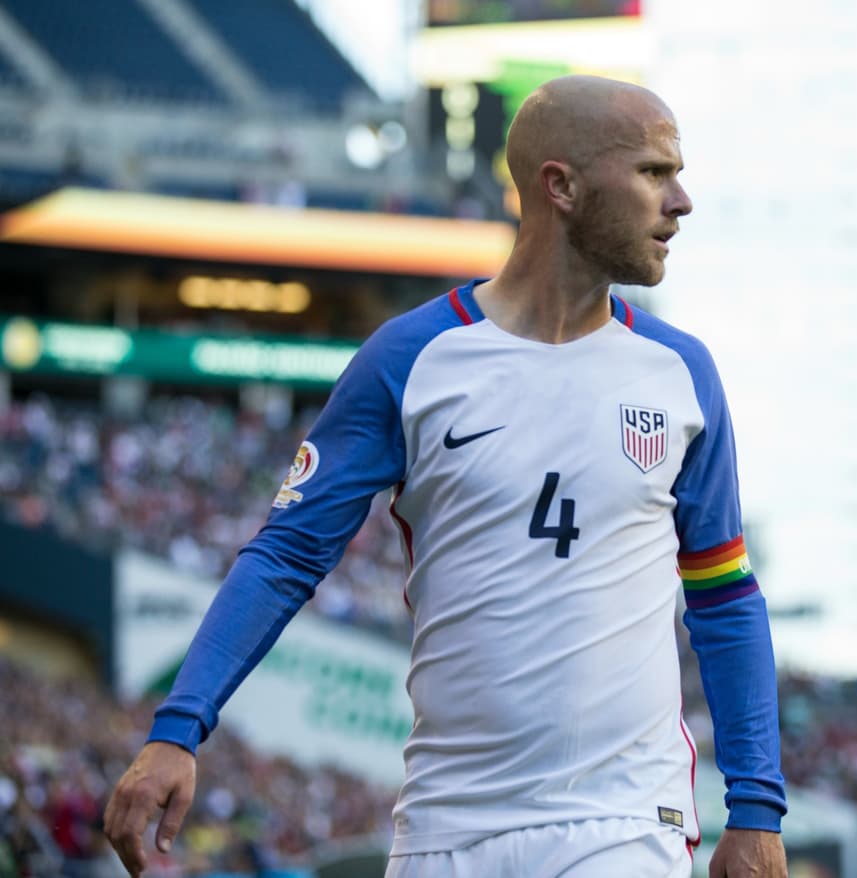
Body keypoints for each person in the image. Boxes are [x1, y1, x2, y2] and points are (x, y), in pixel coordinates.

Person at [104, 74, 788, 877]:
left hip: (623, 821)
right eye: (652, 172)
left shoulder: (681, 375)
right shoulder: (409, 359)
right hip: (443, 828)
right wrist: (177, 729)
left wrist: (756, 808)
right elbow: (287, 555)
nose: (681, 201)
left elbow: (723, 597)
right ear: (560, 186)